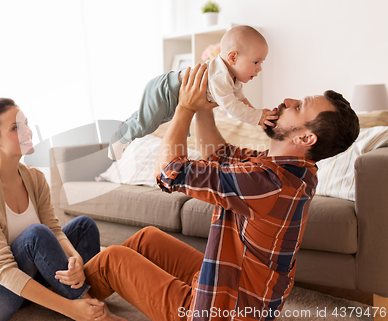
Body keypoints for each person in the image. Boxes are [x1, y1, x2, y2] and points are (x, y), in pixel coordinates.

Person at [84, 63, 359, 320]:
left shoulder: (269, 183)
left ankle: (66, 296)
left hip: (221, 312)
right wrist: (206, 101)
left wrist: (184, 108)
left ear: (305, 138)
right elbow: (219, 154)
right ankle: (77, 279)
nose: (286, 101)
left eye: (298, 107)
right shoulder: (286, 170)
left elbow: (169, 171)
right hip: (231, 287)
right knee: (147, 238)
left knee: (112, 260)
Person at [0, 98, 123, 321]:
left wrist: (74, 258)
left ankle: (80, 299)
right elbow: (2, 270)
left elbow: (54, 228)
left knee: (84, 226)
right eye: (15, 127)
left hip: (24, 281)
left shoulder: (34, 178)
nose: (27, 132)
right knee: (35, 235)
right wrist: (69, 309)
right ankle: (89, 310)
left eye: (25, 124)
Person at [108, 25, 275, 161]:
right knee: (147, 124)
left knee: (154, 119)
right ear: (232, 58)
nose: (259, 68)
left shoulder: (233, 79)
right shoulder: (219, 76)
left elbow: (240, 100)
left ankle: (125, 126)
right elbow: (232, 106)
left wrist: (259, 116)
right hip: (165, 90)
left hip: (174, 96)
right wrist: (257, 117)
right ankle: (119, 137)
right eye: (256, 62)